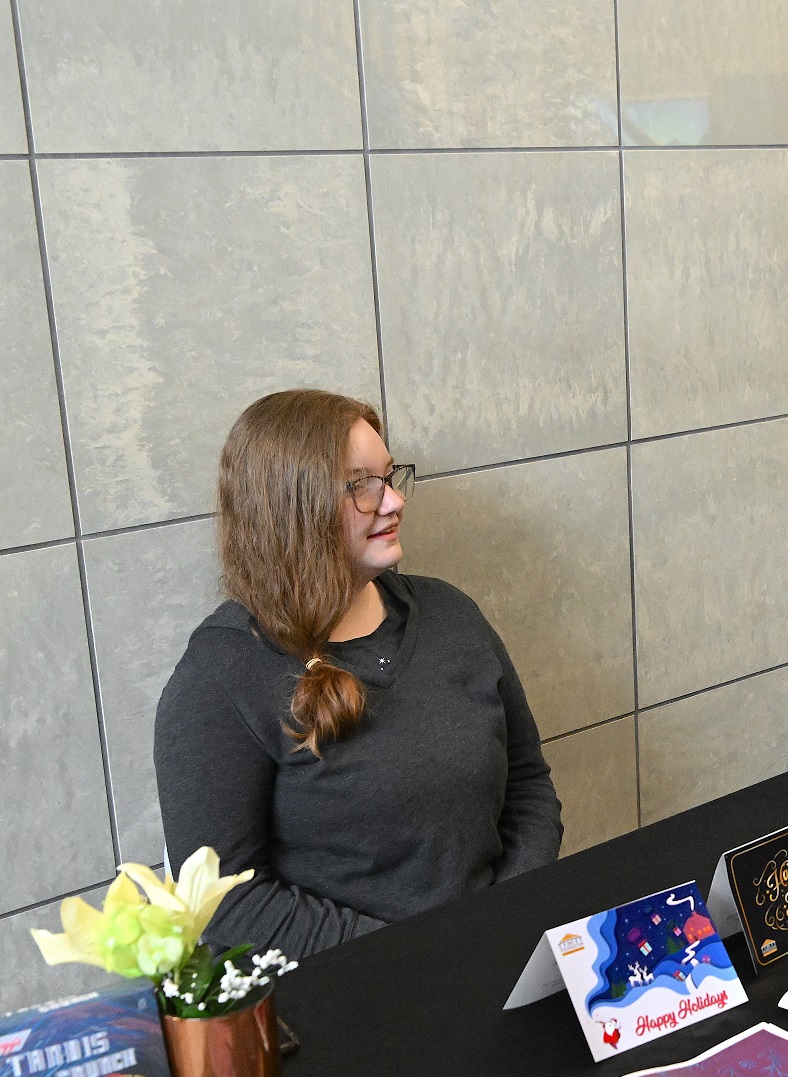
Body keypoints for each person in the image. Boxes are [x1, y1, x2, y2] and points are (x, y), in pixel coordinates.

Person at [154, 390, 563, 960]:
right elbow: (224, 900)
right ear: (292, 508)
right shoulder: (220, 676)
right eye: (361, 485)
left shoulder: (450, 614)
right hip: (353, 987)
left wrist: (504, 919)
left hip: (498, 954)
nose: (394, 501)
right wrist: (419, 956)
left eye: (389, 477)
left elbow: (528, 785)